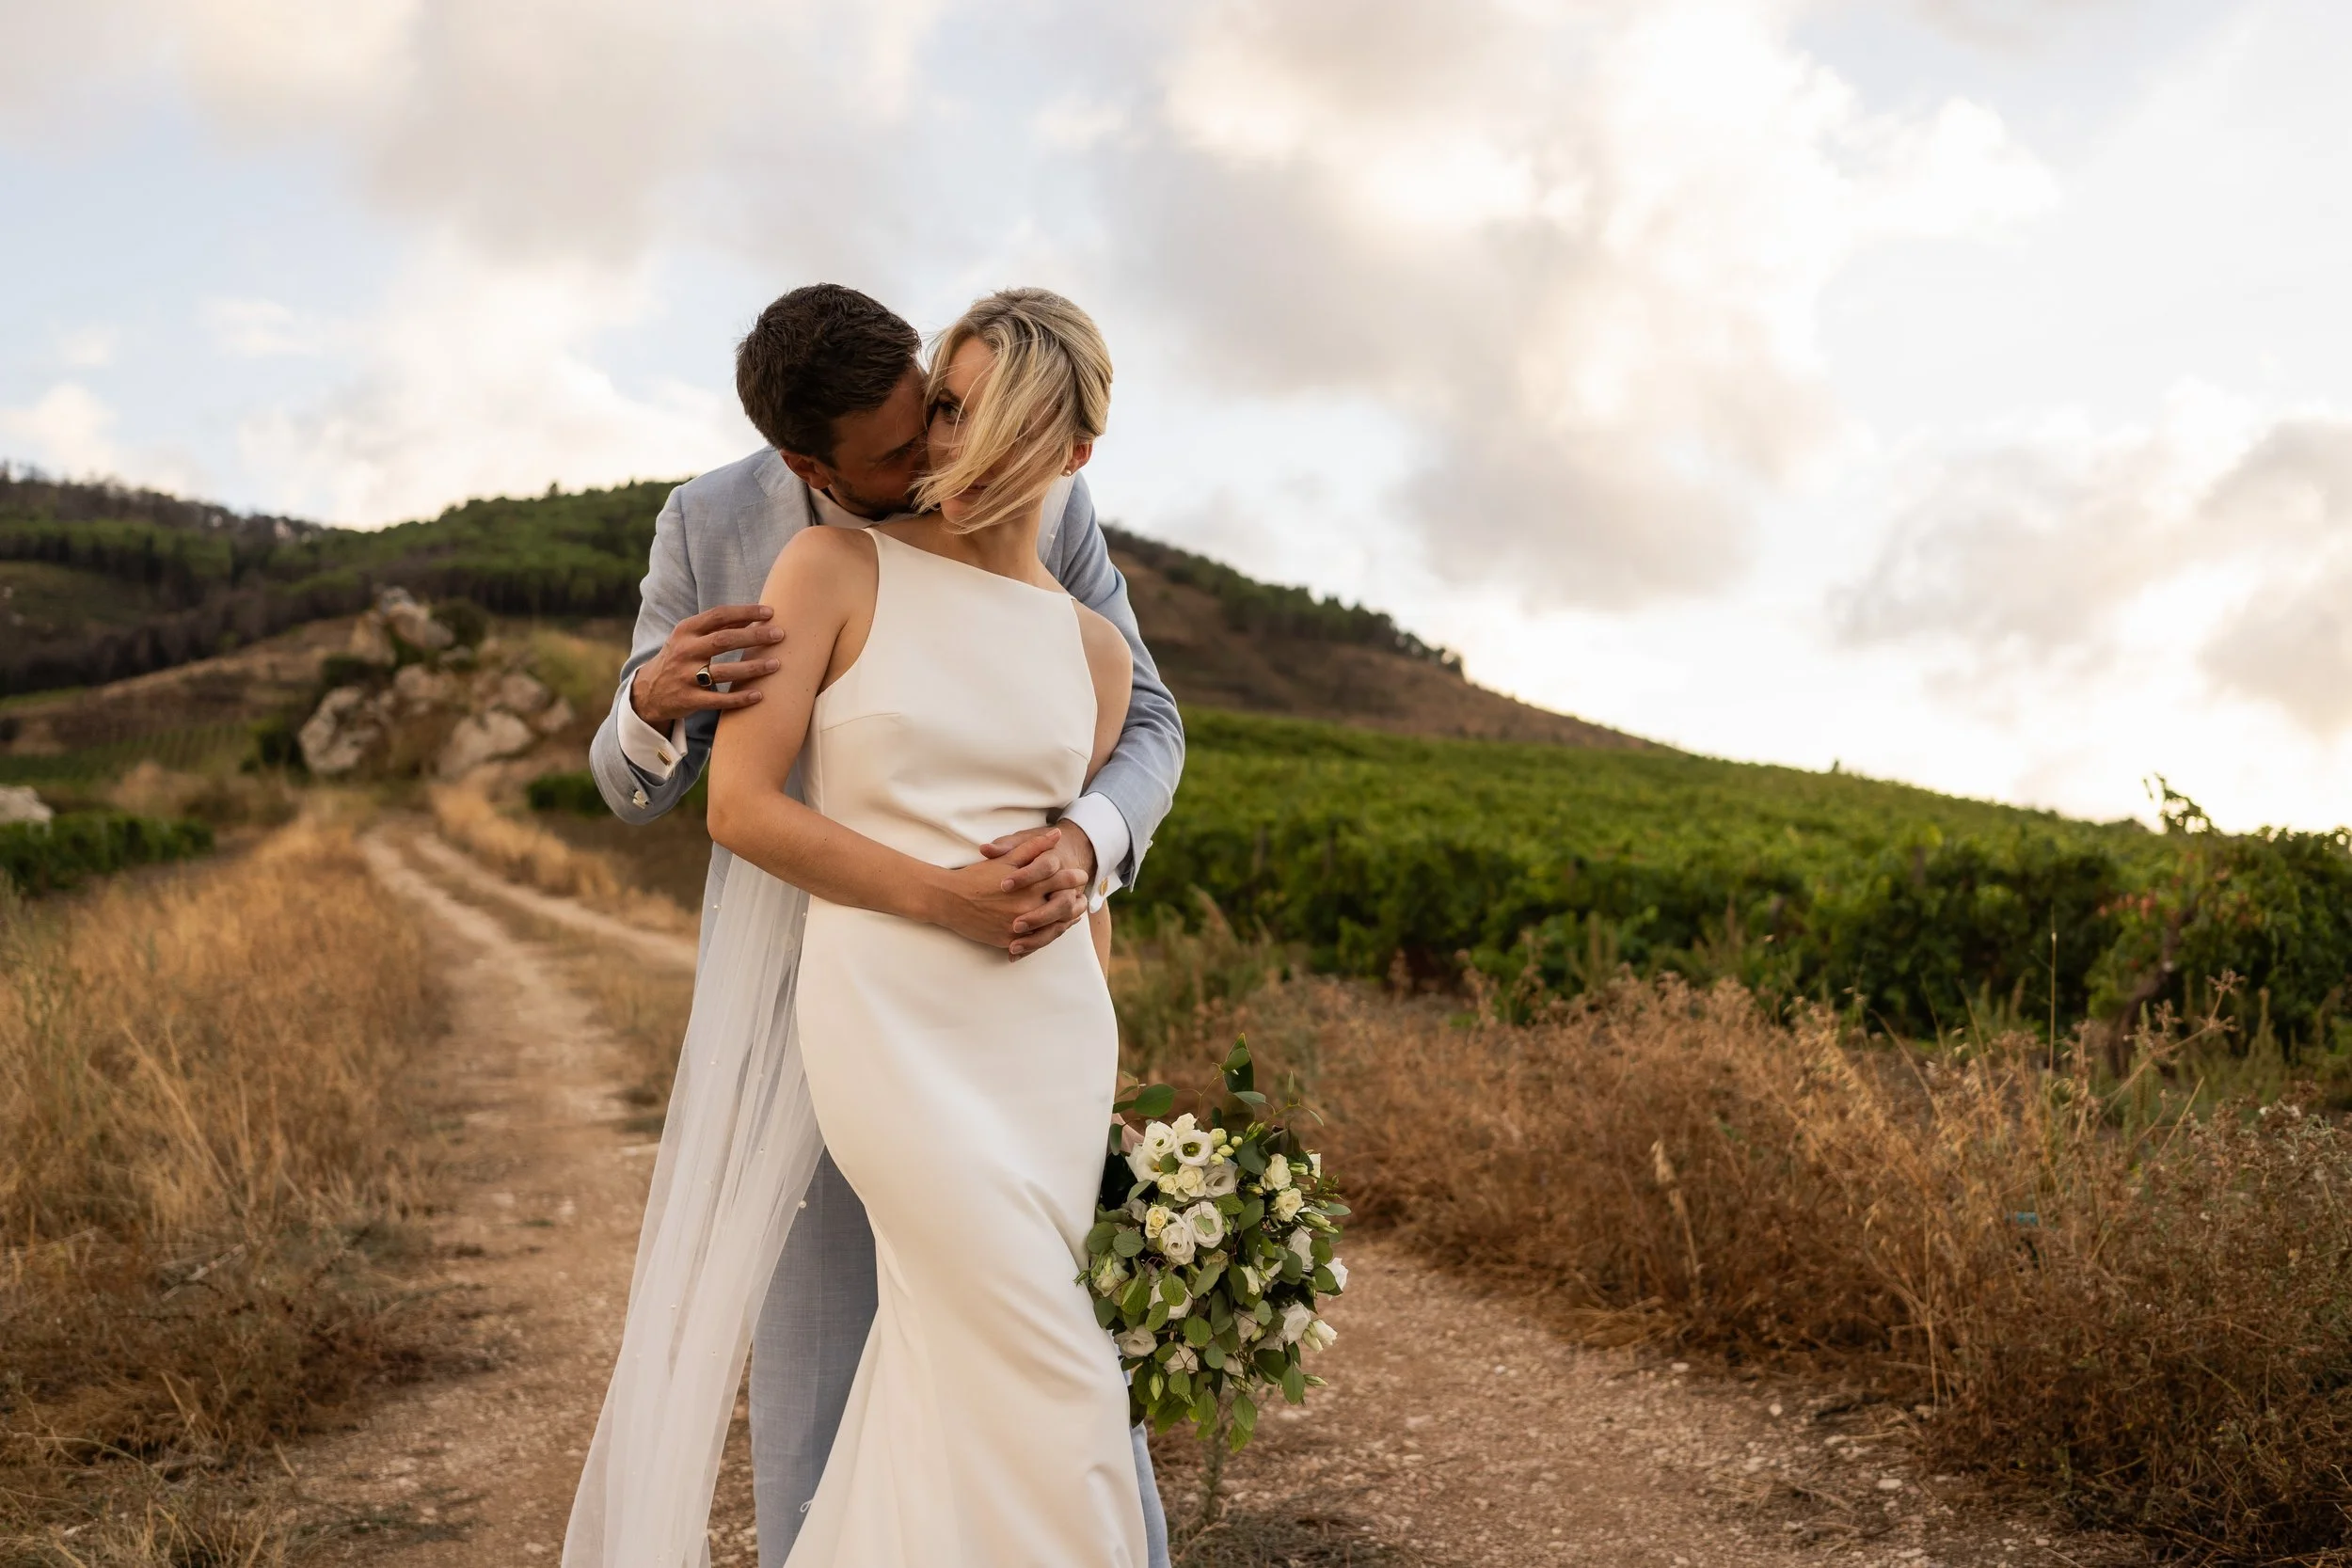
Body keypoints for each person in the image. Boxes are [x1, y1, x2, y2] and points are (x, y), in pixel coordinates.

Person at [564, 286, 1182, 1568]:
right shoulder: (724, 525)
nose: (935, 470)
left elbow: (1143, 721)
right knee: (823, 1353)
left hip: (1024, 1018)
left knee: (1038, 1349)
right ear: (810, 466)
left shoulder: (1035, 497)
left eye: (940, 420)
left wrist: (1083, 843)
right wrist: (651, 705)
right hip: (825, 985)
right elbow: (658, 784)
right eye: (899, 457)